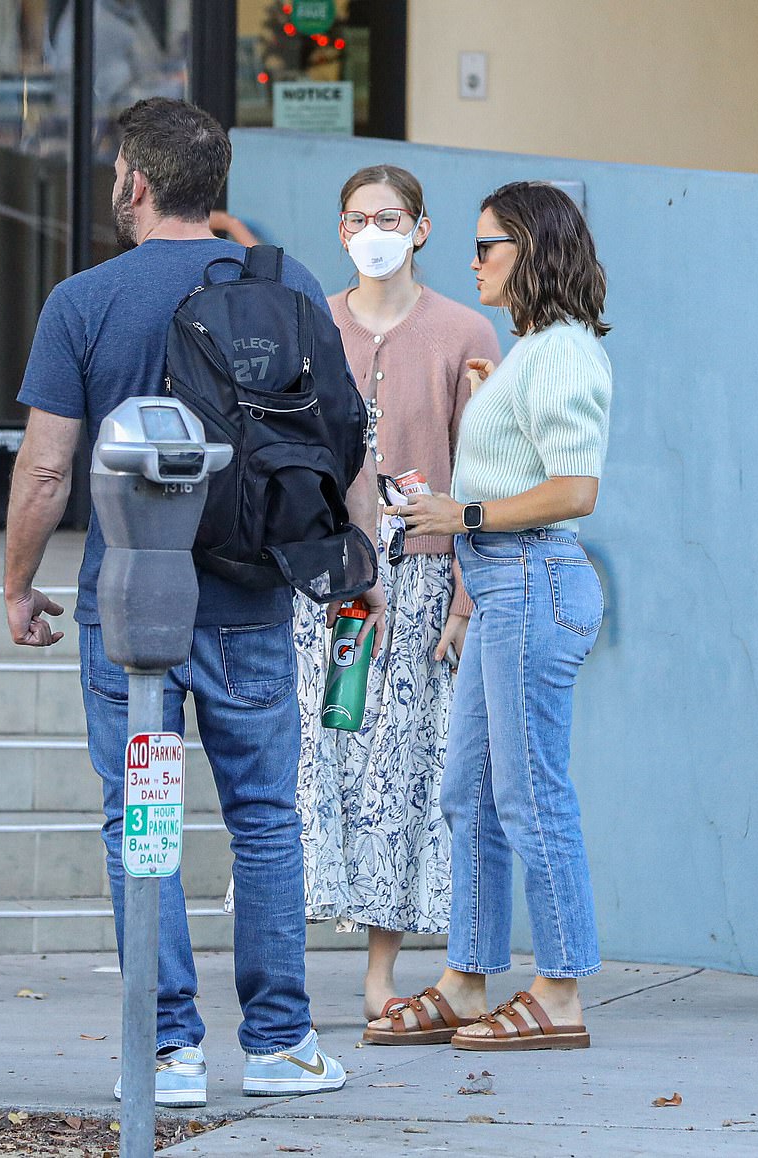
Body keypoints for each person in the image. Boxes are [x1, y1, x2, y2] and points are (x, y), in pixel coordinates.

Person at [3, 96, 385, 1106]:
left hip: (126, 607)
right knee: (264, 818)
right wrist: (361, 572)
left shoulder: (83, 301)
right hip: (252, 601)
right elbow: (343, 438)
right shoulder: (289, 284)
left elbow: (45, 472)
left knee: (140, 814)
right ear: (214, 189)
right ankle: (278, 1044)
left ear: (134, 181)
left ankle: (165, 1051)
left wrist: (15, 586)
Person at [365, 180, 612, 1050]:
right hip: (507, 587)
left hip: (530, 584)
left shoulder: (565, 350)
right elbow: (531, 456)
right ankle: (468, 980)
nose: (471, 262)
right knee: (467, 790)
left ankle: (562, 989)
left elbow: (575, 490)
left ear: (532, 253)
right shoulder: (535, 350)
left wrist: (459, 515)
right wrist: (495, 388)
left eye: (487, 246)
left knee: (530, 793)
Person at [293, 164, 500, 1021]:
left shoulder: (464, 330)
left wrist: (461, 599)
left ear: (419, 228)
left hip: (418, 572)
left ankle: (381, 972)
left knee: (400, 768)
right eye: (354, 218)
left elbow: (480, 466)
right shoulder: (309, 323)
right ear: (339, 232)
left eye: (388, 216)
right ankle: (285, 967)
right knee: (312, 758)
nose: (370, 231)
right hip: (322, 577)